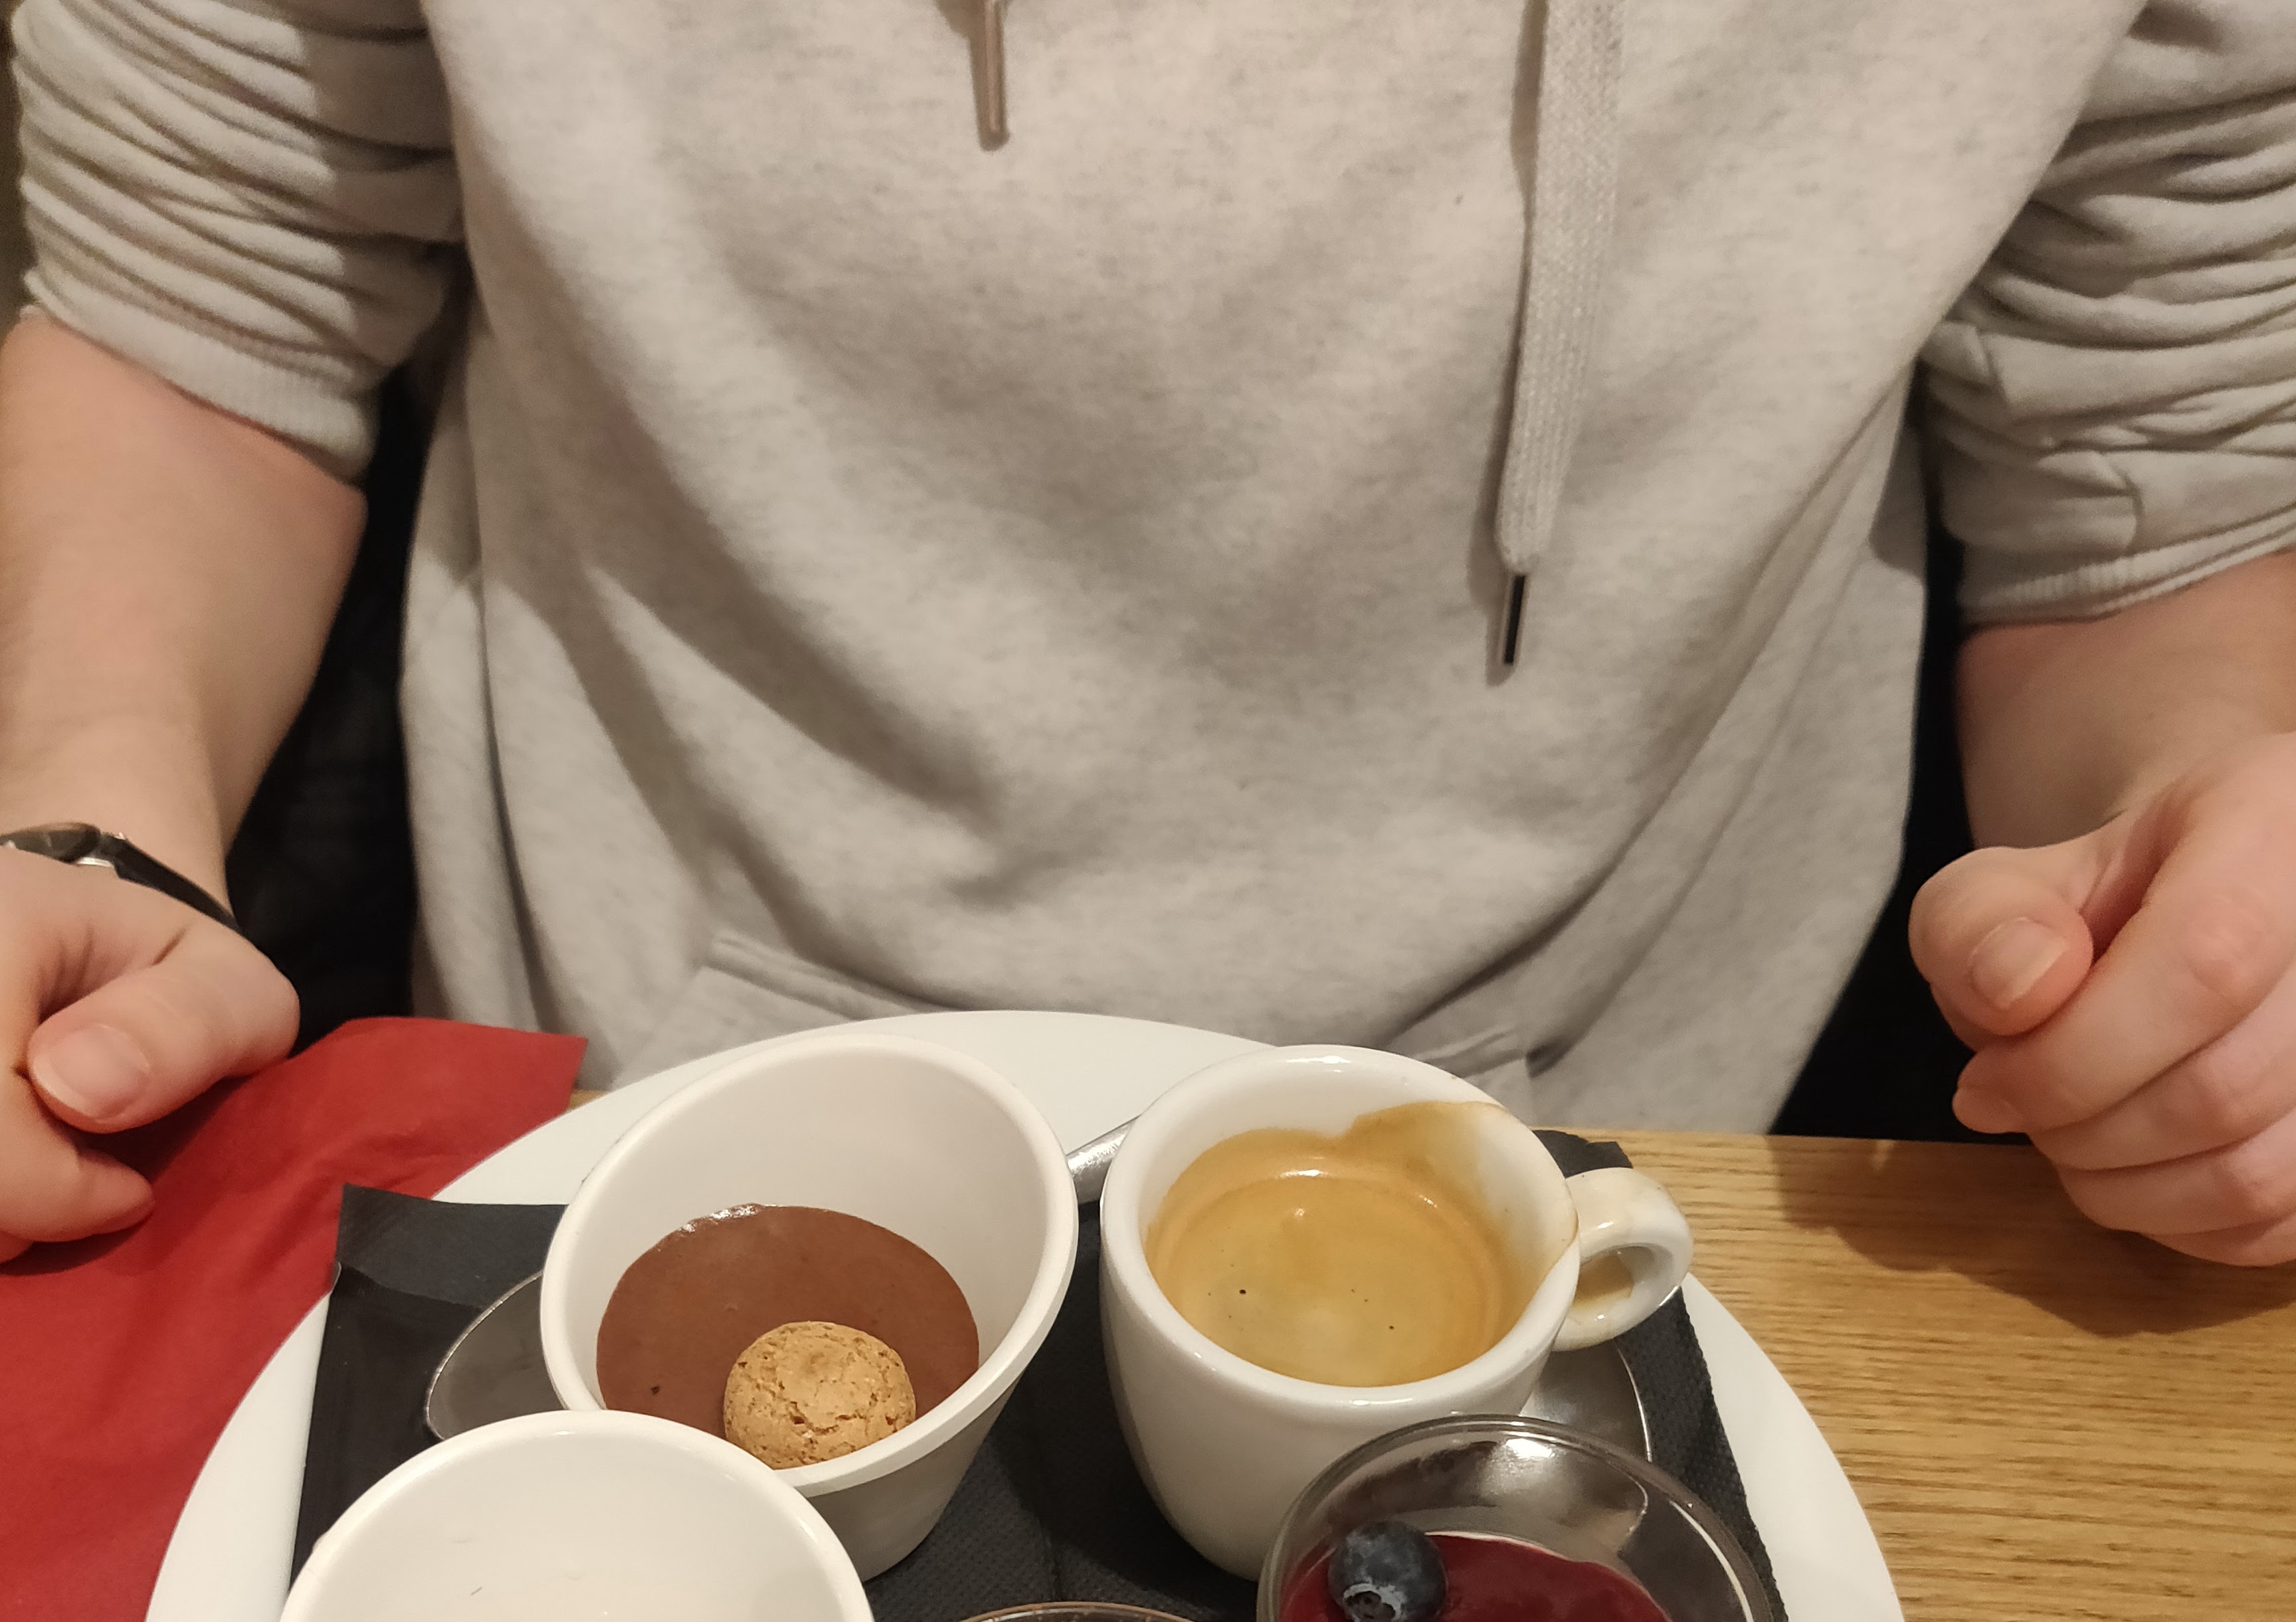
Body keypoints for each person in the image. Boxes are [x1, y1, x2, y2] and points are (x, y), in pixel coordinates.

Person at [3, 0, 2293, 1268]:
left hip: (1644, 1171)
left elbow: (2156, 457)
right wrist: (82, 832)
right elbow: (204, 289)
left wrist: (2198, 896)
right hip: (626, 1113)